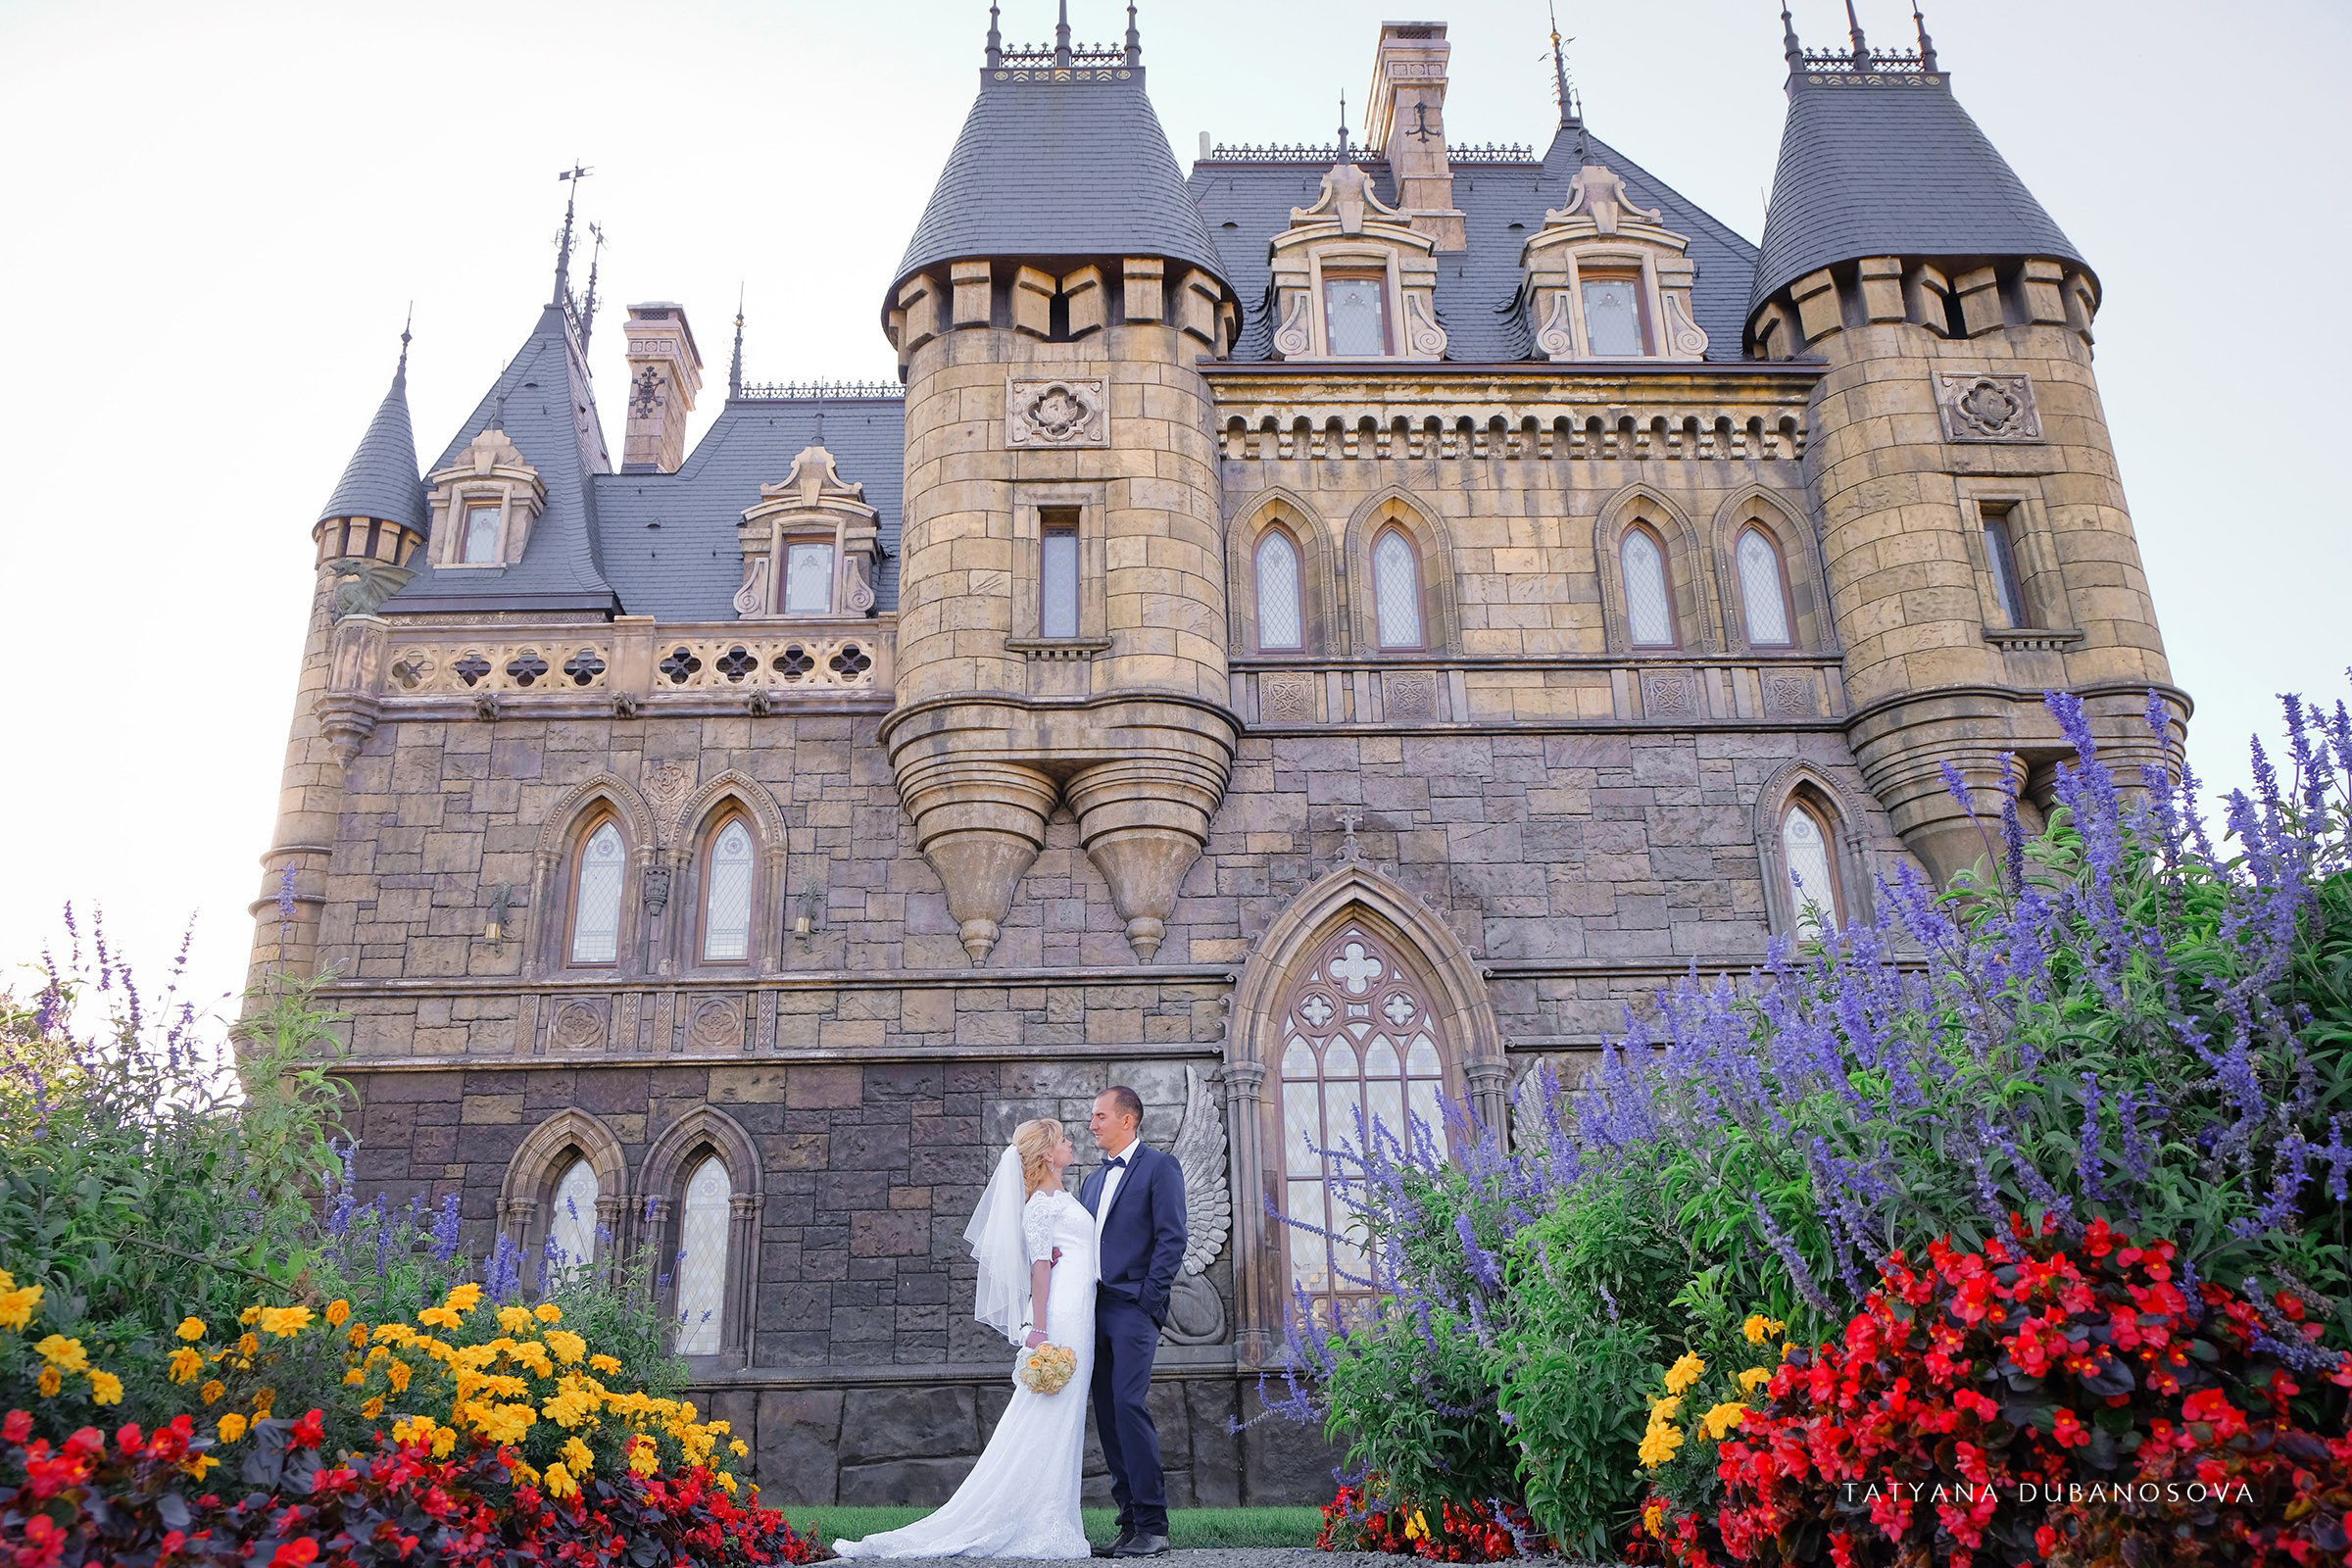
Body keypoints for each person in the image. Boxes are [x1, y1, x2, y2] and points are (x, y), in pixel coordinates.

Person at [832, 1117, 1097, 1559]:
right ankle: (1034, 1519)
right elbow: (1039, 1266)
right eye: (1065, 1139)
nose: (1072, 1143)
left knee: (1063, 1418)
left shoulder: (1063, 1196)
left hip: (1080, 1310)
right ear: (1049, 1153)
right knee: (1047, 1413)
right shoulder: (1042, 1204)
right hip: (1063, 1317)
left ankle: (1054, 1514)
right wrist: (1041, 1329)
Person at [1079, 1086, 1188, 1560]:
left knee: (1128, 1404)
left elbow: (1172, 1238)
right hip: (1091, 1310)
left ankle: (1153, 1525)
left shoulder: (1160, 1168)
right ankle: (1129, 1524)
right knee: (1107, 1414)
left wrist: (1147, 1301)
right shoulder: (1090, 1181)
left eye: (1100, 1115)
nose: (1093, 1124)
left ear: (1128, 1120)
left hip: (1133, 1308)